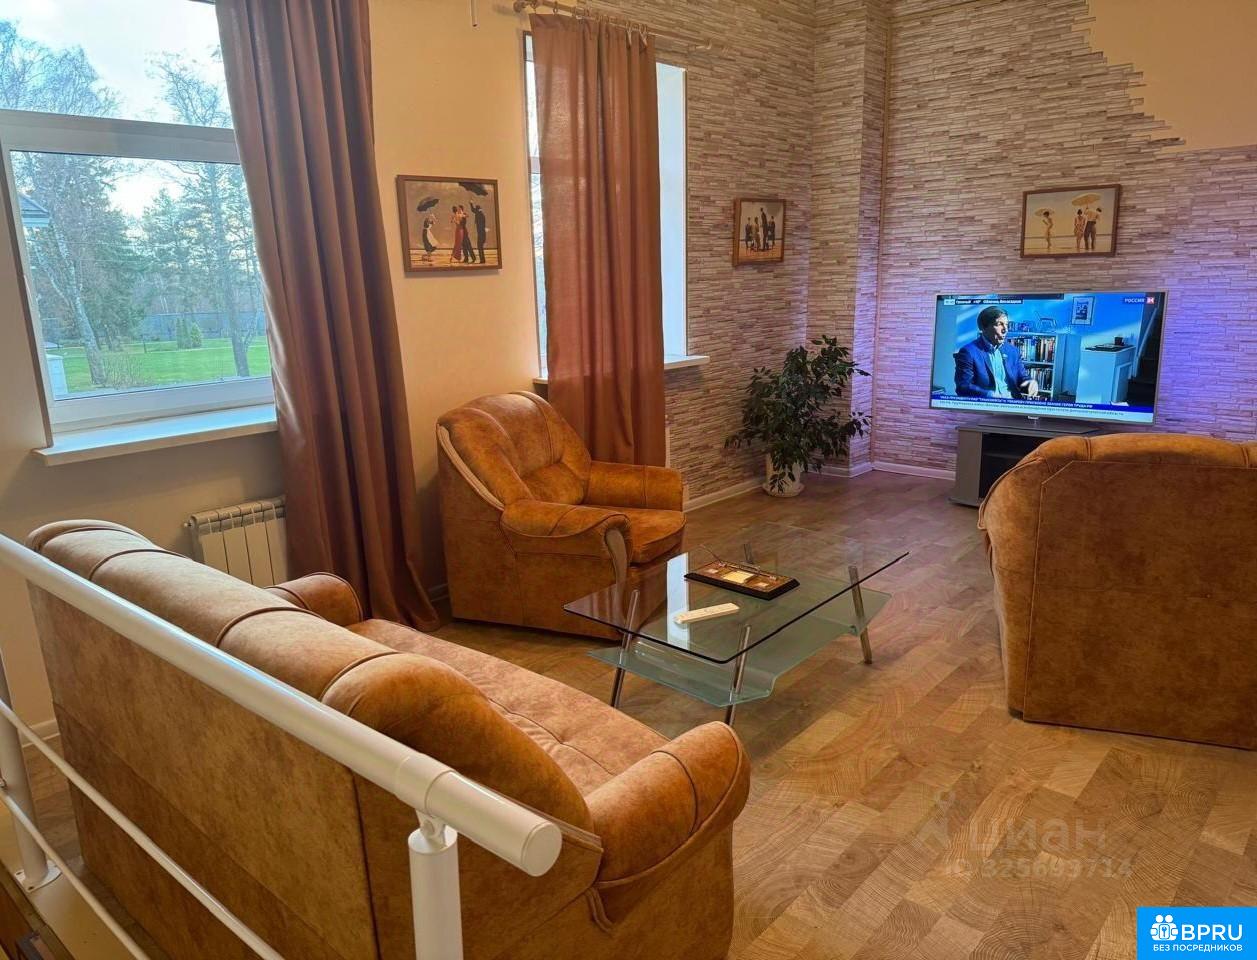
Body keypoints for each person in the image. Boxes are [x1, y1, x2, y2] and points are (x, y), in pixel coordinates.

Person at [953, 306, 1040, 399]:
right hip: (985, 404)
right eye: (999, 324)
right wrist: (989, 395)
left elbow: (1022, 378)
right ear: (984, 327)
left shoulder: (1012, 351)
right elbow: (963, 387)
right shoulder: (968, 352)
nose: (1005, 329)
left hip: (1012, 403)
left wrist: (1030, 383)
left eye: (1006, 324)